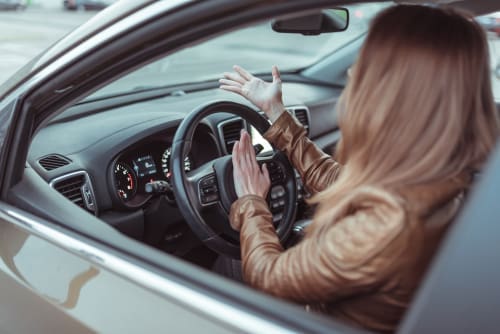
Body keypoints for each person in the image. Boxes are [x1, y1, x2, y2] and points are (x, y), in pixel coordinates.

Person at [219, 5, 499, 333]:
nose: (352, 73)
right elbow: (345, 186)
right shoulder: (451, 180)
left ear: (396, 92)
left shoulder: (386, 226)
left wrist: (251, 204)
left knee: (226, 267)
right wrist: (278, 115)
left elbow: (267, 278)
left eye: (366, 63)